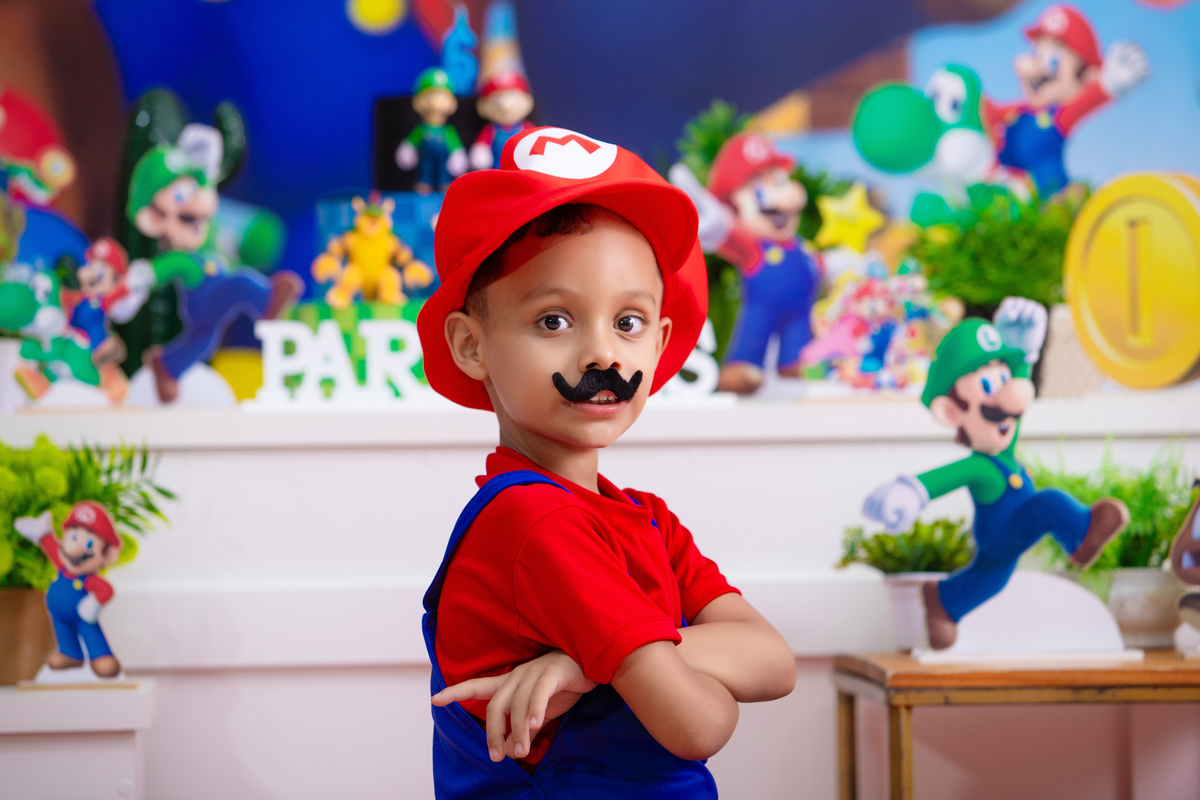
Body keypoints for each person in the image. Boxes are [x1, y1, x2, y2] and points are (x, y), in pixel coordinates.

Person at [415, 126, 796, 796]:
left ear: (661, 340)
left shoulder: (646, 518)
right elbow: (703, 722)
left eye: (628, 323)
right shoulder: (534, 523)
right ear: (472, 346)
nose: (603, 355)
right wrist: (647, 661)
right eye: (554, 321)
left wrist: (587, 666)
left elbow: (773, 662)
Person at [863, 298, 1130, 649]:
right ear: (951, 412)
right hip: (1001, 532)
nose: (1010, 398)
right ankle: (1081, 537)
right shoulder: (981, 466)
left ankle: (943, 600)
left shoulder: (1002, 449)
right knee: (1047, 503)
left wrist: (1024, 355)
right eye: (988, 387)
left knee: (990, 580)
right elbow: (948, 475)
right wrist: (912, 491)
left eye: (1006, 380)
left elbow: (1012, 404)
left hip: (1005, 537)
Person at [670, 132, 821, 395]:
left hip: (801, 316)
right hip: (761, 309)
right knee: (753, 335)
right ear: (735, 202)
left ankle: (795, 362)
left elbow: (818, 262)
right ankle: (742, 367)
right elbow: (724, 232)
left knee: (798, 347)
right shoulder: (752, 245)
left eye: (780, 180)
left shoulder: (799, 245)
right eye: (759, 188)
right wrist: (714, 223)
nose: (780, 196)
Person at [986, 4, 1149, 197]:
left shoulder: (1057, 117)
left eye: (1054, 62)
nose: (1039, 68)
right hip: (1006, 193)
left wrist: (1109, 83)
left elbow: (1083, 104)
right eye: (1036, 54)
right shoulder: (1016, 113)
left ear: (1085, 75)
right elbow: (984, 113)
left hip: (1051, 197)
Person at [15, 502, 124, 678]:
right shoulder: (63, 567)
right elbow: (52, 548)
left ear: (108, 554)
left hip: (82, 615)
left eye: (89, 543)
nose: (73, 550)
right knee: (63, 634)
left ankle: (101, 656)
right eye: (72, 537)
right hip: (58, 616)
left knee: (91, 632)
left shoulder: (89, 579)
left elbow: (106, 589)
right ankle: (70, 654)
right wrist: (42, 533)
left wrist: (93, 604)